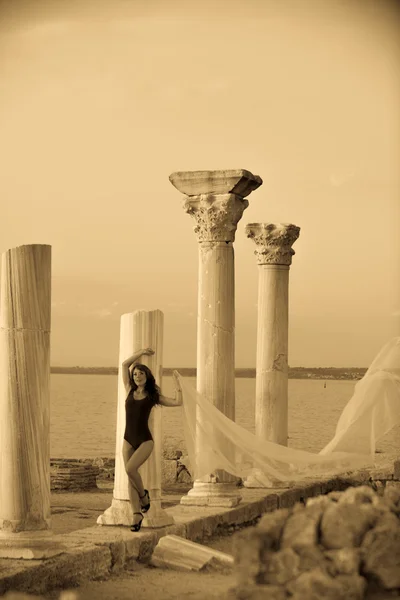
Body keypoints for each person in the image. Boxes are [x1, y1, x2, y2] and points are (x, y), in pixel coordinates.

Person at [122, 347, 183, 532]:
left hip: (145, 440)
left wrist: (177, 383)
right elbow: (125, 364)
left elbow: (177, 401)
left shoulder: (152, 396)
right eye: (135, 375)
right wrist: (140, 352)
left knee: (130, 469)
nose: (137, 377)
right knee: (130, 476)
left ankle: (143, 496)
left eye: (140, 374)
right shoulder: (128, 390)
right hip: (127, 439)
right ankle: (136, 514)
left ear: (147, 376)